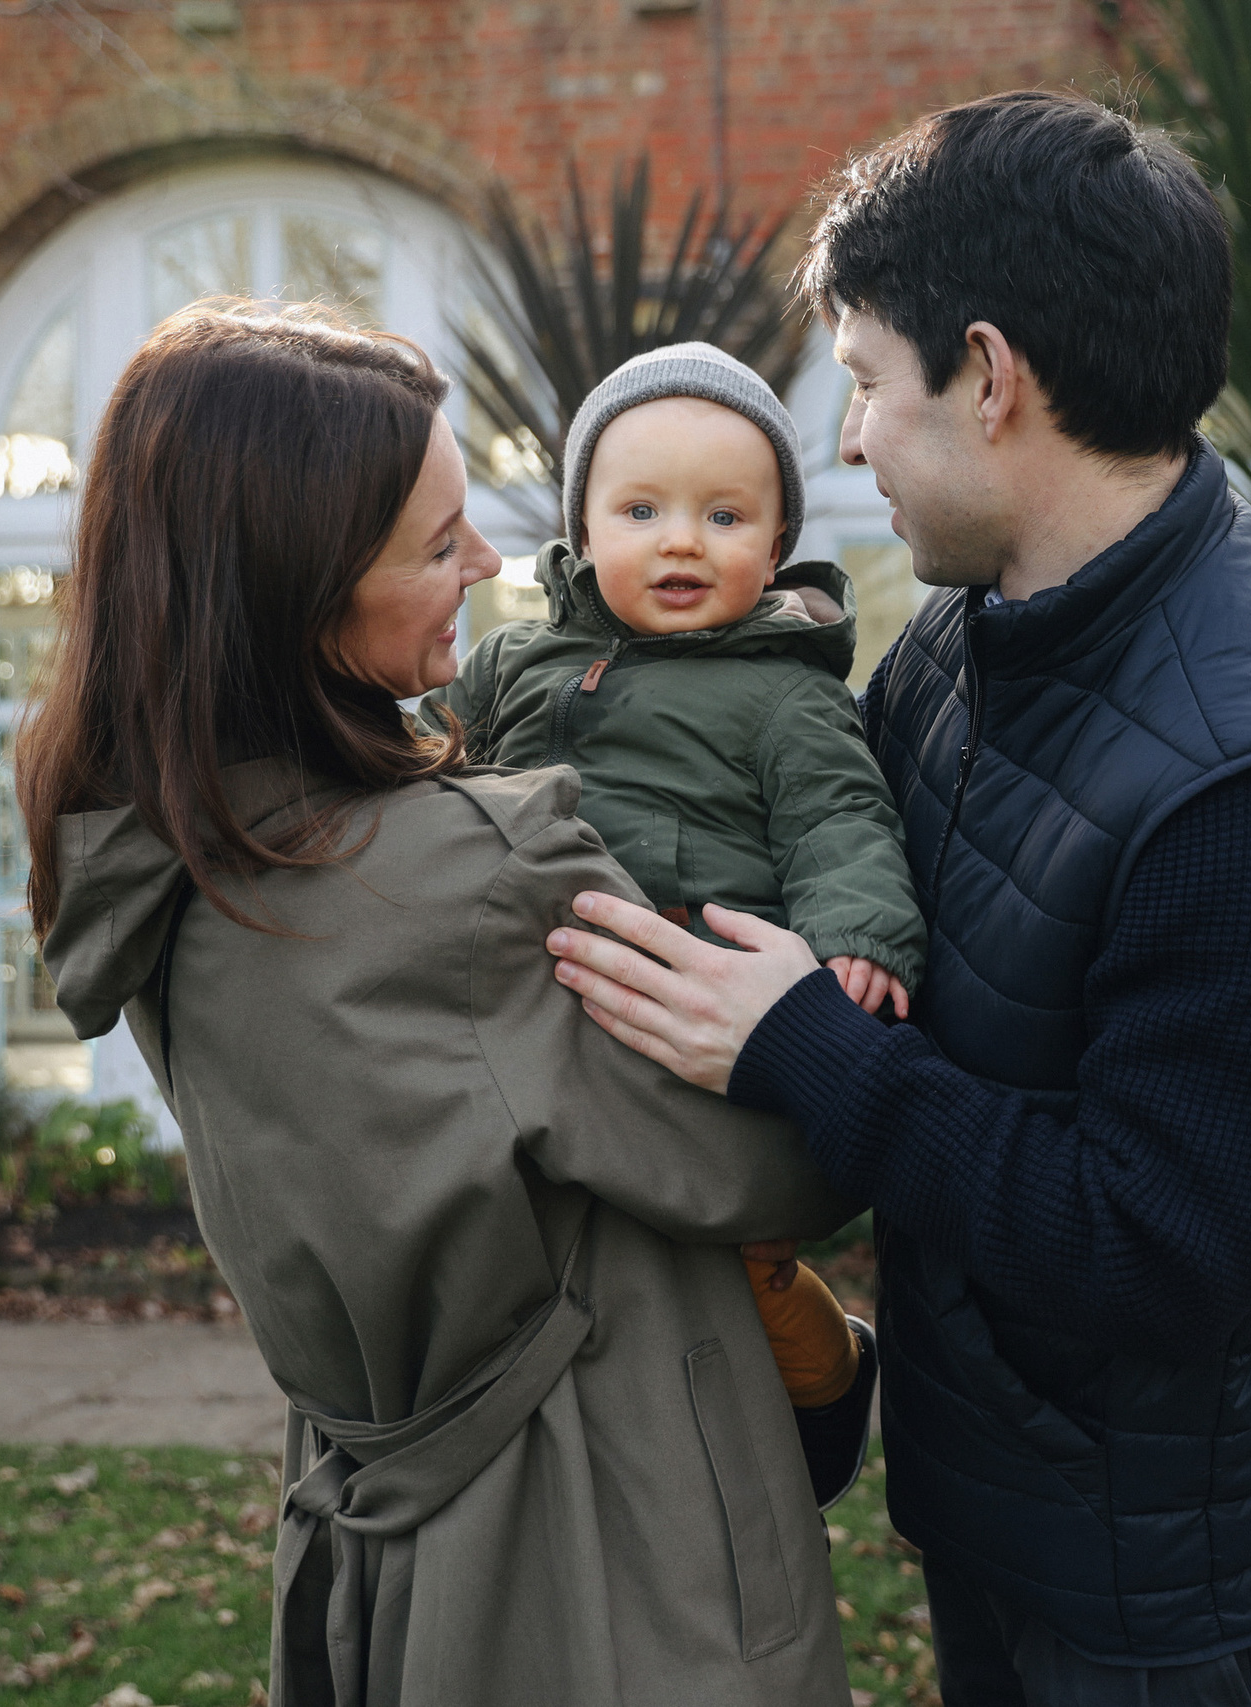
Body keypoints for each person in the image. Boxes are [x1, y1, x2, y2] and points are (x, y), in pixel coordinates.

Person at [547, 90, 1251, 1706]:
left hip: (1188, 1606)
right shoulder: (969, 642)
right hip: (1022, 1527)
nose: (845, 440)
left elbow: (1157, 1246)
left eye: (869, 385)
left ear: (989, 376)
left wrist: (802, 1045)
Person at [19, 303, 859, 1707]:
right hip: (604, 1545)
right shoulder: (470, 873)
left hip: (375, 1523)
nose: (488, 564)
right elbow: (771, 1161)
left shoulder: (158, 858)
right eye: (435, 543)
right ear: (296, 588)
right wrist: (831, 1011)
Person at [423, 344, 926, 1447]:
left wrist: (860, 935)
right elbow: (420, 753)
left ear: (778, 543)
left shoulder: (781, 696)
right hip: (533, 1006)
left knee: (730, 1259)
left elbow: (841, 823)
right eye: (641, 509)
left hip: (687, 1018)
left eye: (725, 517)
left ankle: (823, 1377)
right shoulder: (515, 662)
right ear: (583, 530)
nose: (681, 540)